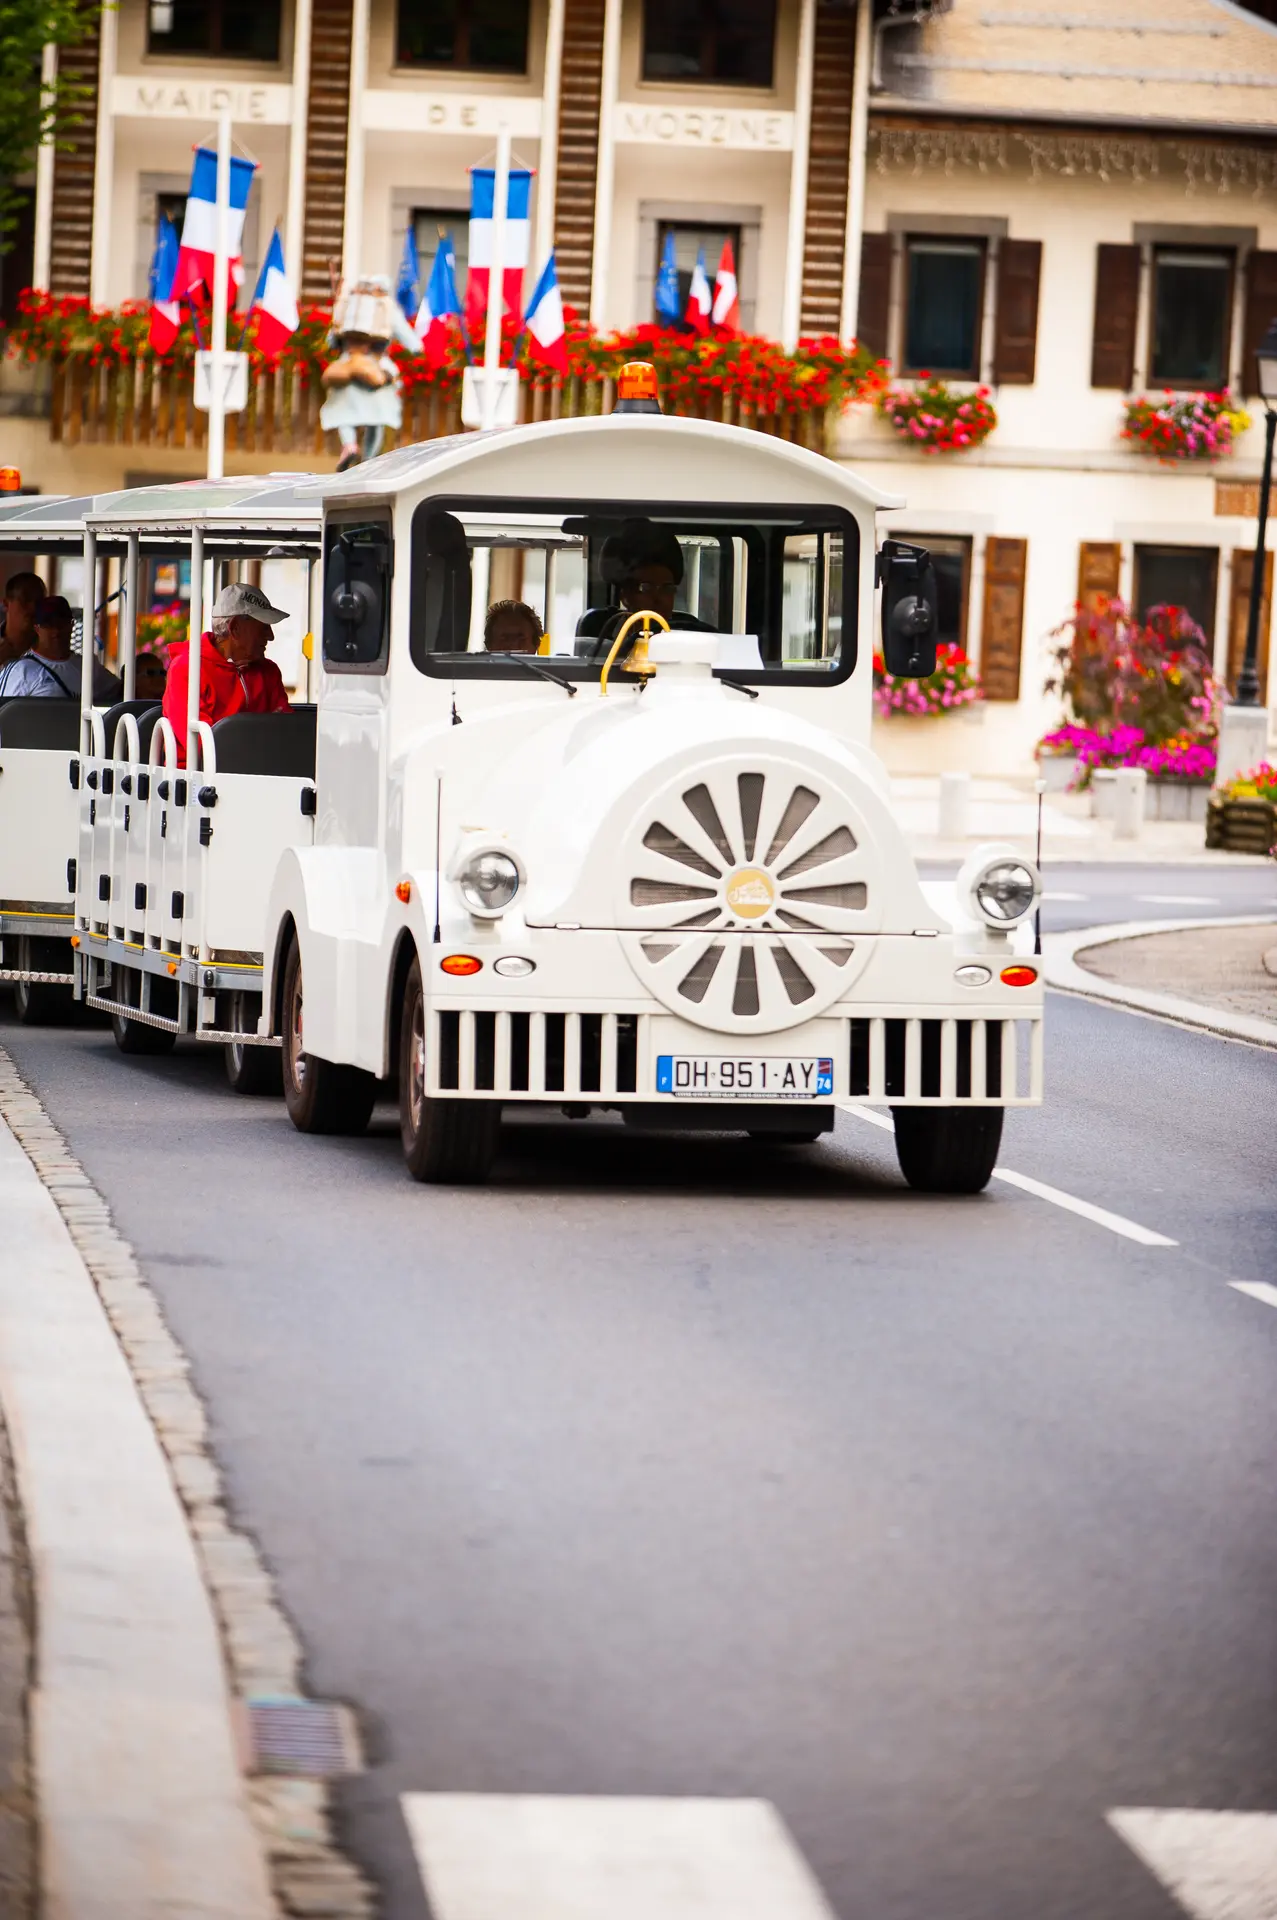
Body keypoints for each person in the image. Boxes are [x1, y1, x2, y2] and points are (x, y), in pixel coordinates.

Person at [162, 582, 291, 766]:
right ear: (235, 628)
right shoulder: (187, 669)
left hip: (259, 775)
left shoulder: (268, 671)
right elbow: (203, 746)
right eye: (263, 627)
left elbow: (285, 732)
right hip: (197, 782)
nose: (270, 636)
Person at [585, 521, 715, 655]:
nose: (659, 598)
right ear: (625, 596)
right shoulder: (602, 647)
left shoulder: (692, 639)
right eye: (646, 588)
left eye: (667, 589)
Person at [0, 594, 121, 701]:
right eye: (48, 625)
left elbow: (119, 691)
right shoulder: (20, 670)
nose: (56, 631)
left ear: (72, 625)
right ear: (37, 628)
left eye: (62, 624)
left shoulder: (88, 666)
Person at [0, 571, 47, 668]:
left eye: (39, 602)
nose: (33, 607)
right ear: (6, 604)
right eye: (25, 600)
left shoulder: (50, 650)